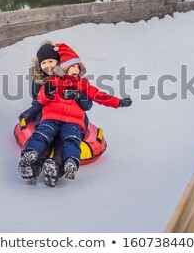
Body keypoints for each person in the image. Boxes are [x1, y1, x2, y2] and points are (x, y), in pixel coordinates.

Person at [20, 43, 132, 181]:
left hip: (73, 120)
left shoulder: (82, 84)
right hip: (51, 116)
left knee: (70, 139)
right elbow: (40, 100)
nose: (74, 70)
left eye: (76, 66)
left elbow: (98, 96)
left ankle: (65, 164)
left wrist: (117, 102)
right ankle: (31, 158)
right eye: (70, 67)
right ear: (62, 69)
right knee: (43, 134)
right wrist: (45, 94)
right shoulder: (53, 80)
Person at [18, 41, 93, 186]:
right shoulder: (41, 81)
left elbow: (87, 104)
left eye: (51, 61)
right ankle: (32, 167)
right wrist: (30, 113)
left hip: (71, 119)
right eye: (44, 63)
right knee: (47, 138)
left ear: (59, 62)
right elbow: (38, 102)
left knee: (63, 141)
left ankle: (56, 168)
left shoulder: (74, 79)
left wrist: (77, 94)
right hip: (49, 117)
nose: (48, 66)